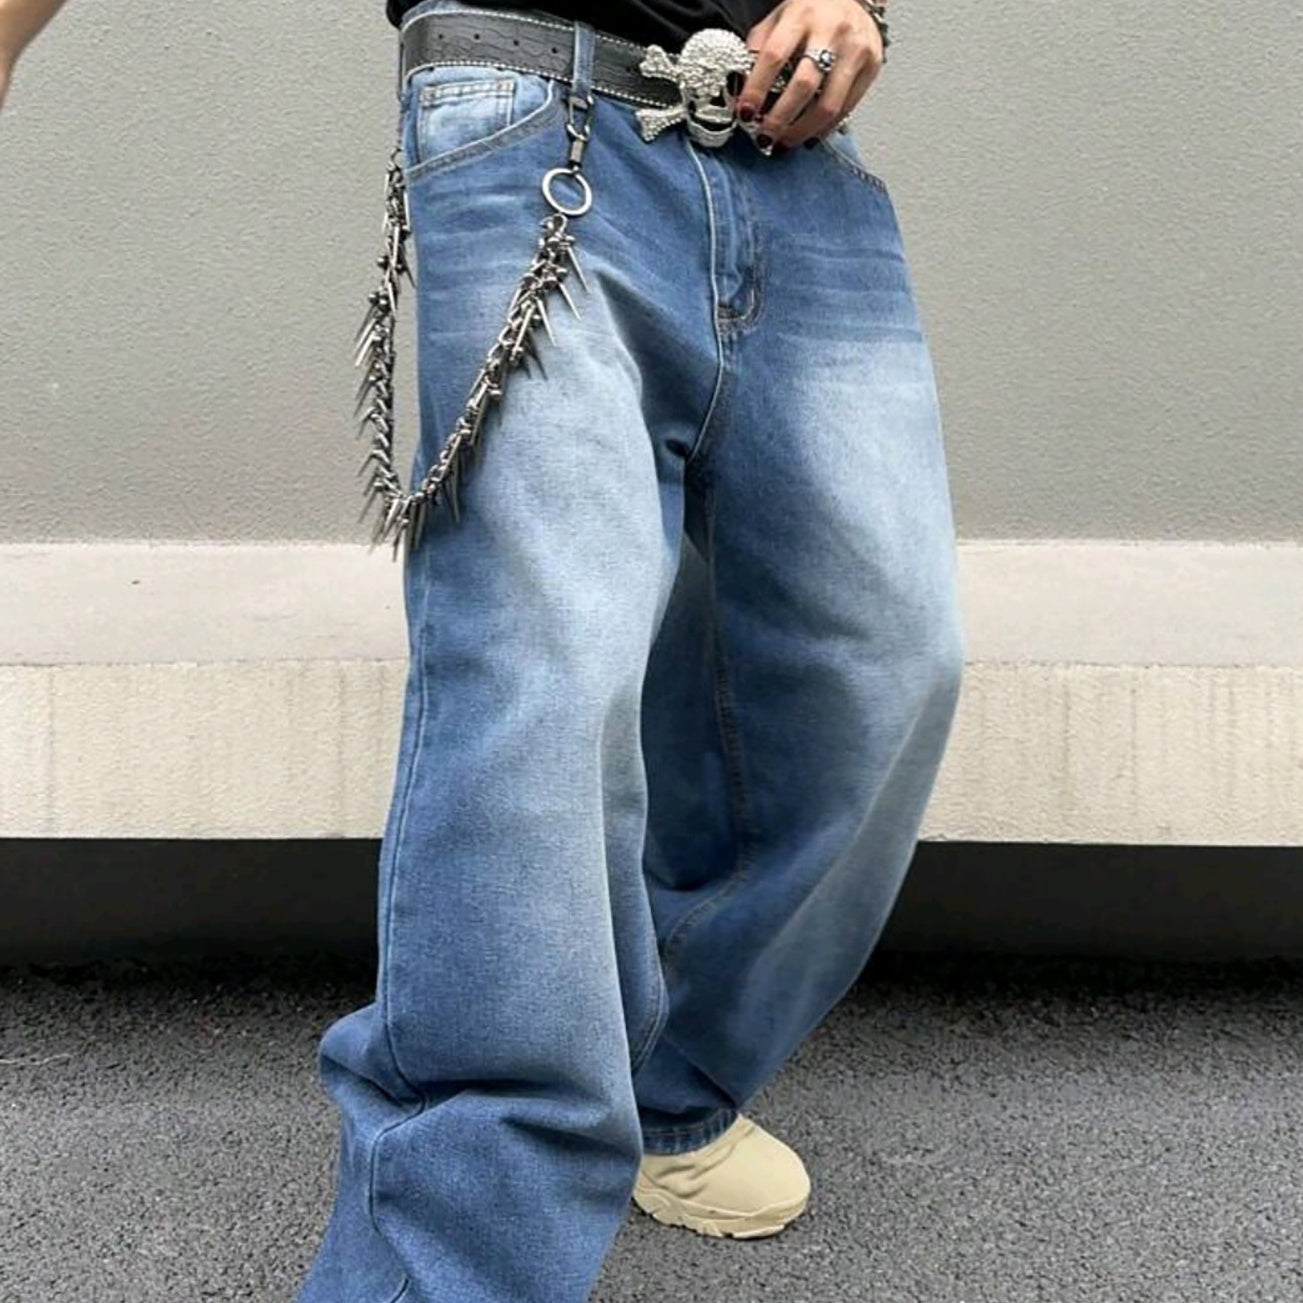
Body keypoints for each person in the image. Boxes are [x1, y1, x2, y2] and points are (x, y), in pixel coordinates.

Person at [1, 0, 964, 1299]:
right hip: (535, 107)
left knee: (882, 668)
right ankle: (446, 1258)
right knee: (542, 690)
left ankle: (662, 1086)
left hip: (790, 153)